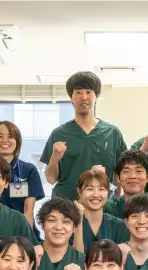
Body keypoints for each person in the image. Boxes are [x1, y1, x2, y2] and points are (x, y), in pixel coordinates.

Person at [41, 71, 127, 200]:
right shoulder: (59, 133)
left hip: (100, 203)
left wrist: (115, 200)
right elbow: (51, 179)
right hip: (66, 204)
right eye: (78, 92)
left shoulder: (112, 133)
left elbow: (119, 174)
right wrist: (55, 157)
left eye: (88, 92)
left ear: (96, 96)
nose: (84, 97)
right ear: (71, 97)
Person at [0, 120, 44, 231]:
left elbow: (28, 210)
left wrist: (26, 236)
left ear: (17, 141)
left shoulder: (28, 170)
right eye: (0, 136)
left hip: (19, 229)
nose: (5, 140)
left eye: (10, 137)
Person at [76, 169, 130, 249]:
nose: (96, 195)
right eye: (90, 189)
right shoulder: (69, 224)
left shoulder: (120, 226)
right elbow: (74, 255)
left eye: (101, 189)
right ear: (79, 191)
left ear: (108, 193)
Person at [105, 149, 148, 219]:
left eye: (138, 171)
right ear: (118, 178)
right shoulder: (108, 209)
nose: (132, 176)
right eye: (126, 171)